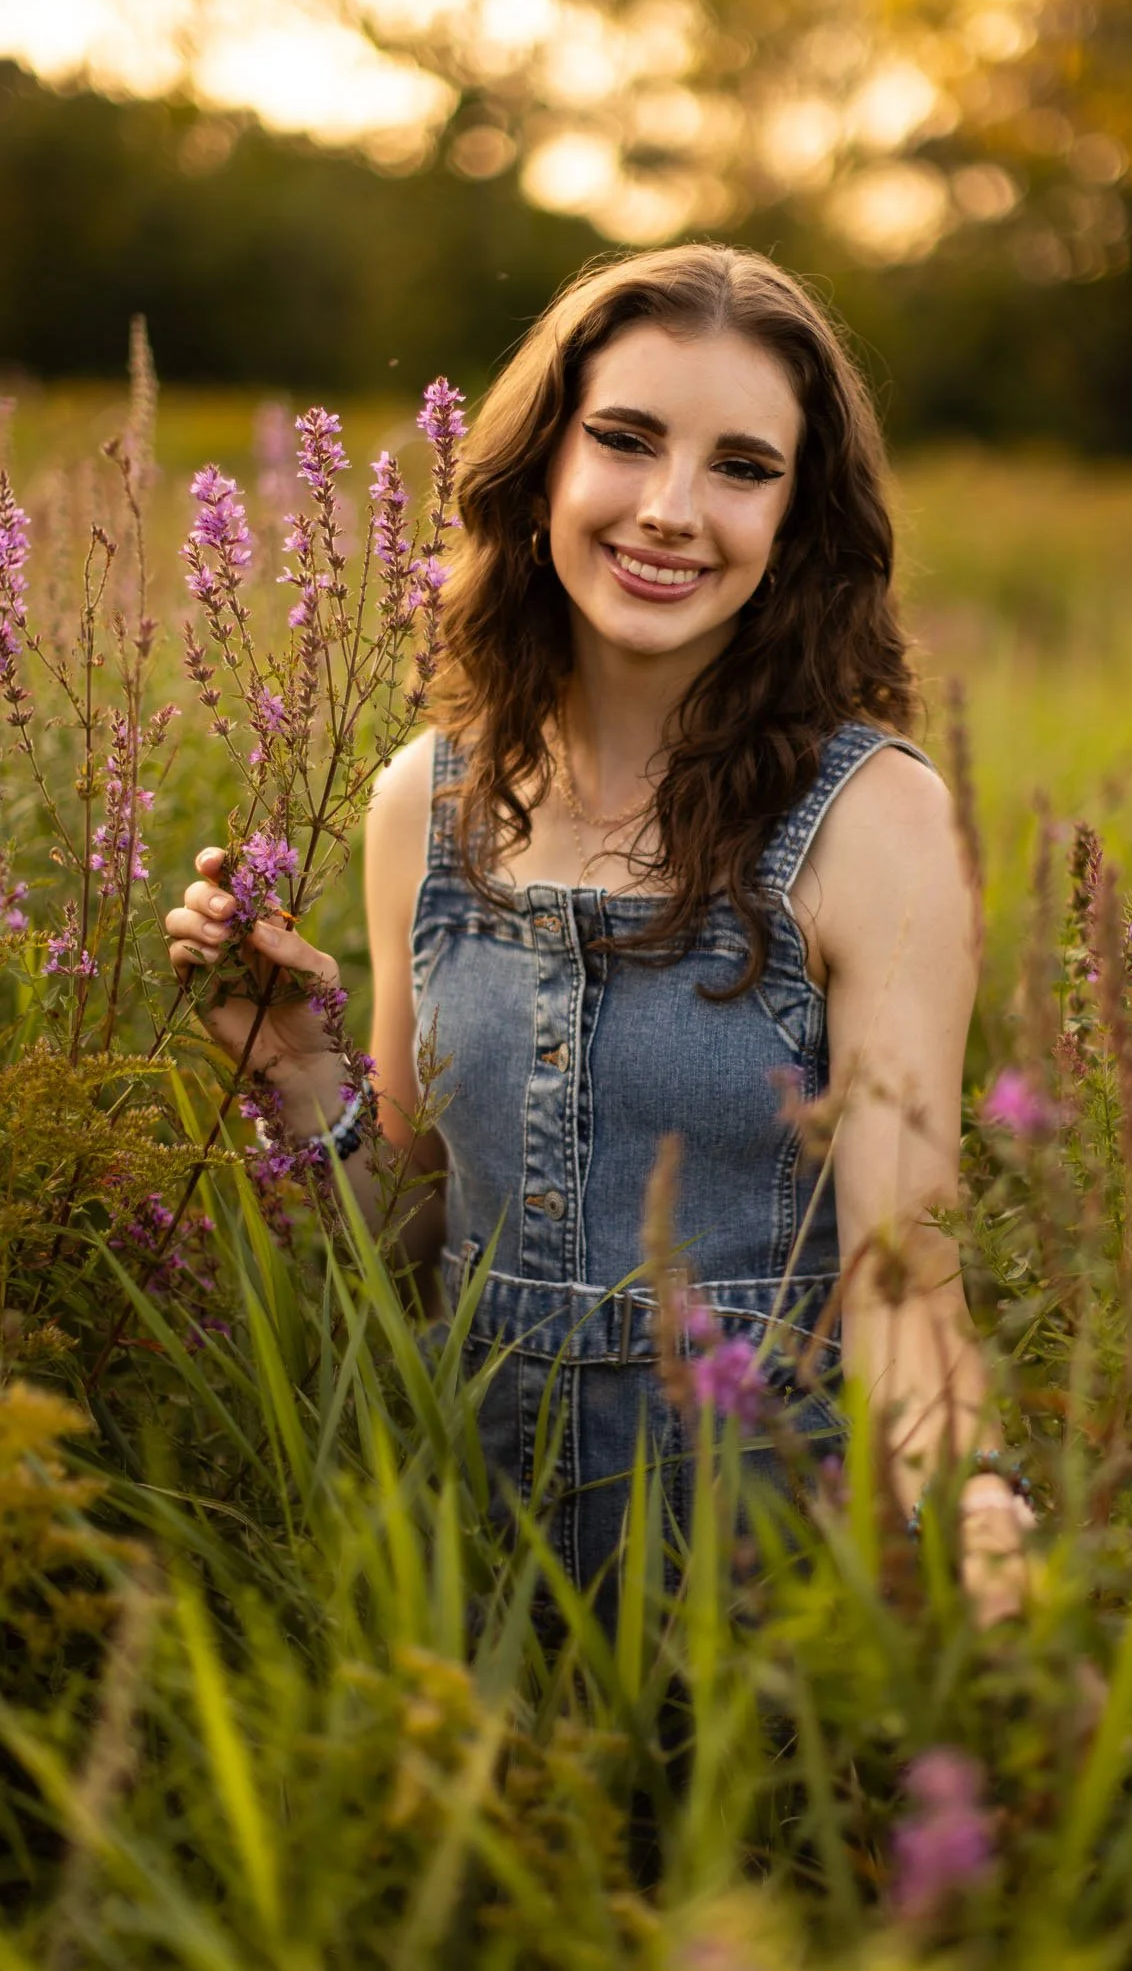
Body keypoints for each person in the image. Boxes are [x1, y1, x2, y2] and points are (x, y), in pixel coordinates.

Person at [166, 244, 1031, 1625]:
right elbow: (417, 1223)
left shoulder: (873, 824)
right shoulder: (420, 804)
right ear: (541, 467)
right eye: (625, 441)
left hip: (759, 1598)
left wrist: (976, 1519)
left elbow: (899, 1271)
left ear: (798, 517)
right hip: (463, 1579)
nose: (672, 510)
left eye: (742, 467)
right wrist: (295, 1066)